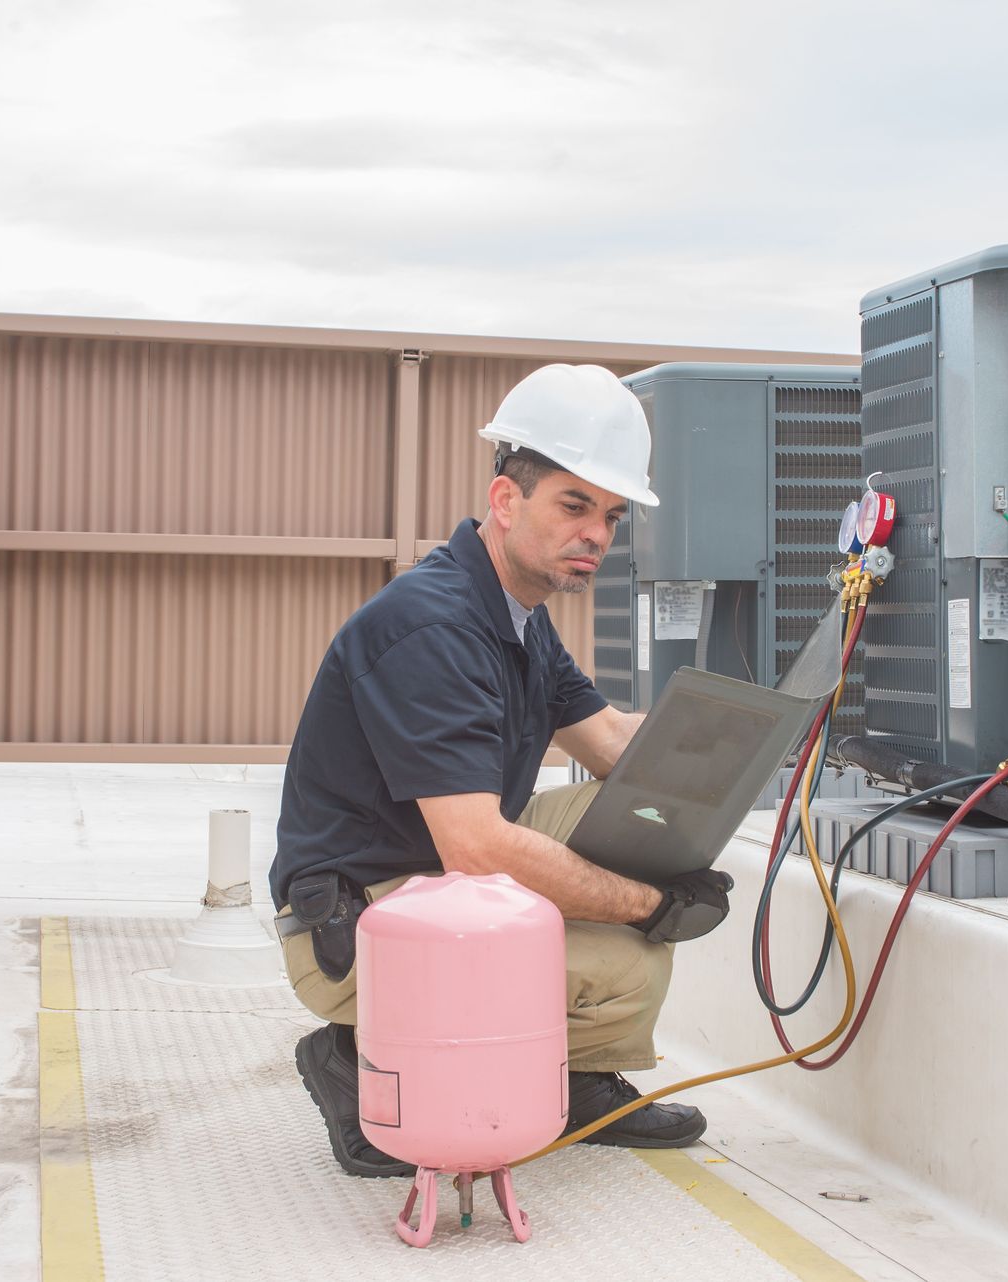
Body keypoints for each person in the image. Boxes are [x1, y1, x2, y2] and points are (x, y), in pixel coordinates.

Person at [272, 363, 734, 1177]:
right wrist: (648, 906)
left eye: (611, 515)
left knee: (641, 826)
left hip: (432, 874)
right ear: (506, 499)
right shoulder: (432, 627)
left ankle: (574, 1082)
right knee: (626, 963)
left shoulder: (517, 617)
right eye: (574, 504)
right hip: (357, 923)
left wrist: (737, 754)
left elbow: (613, 751)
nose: (595, 533)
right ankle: (355, 1055)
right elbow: (478, 848)